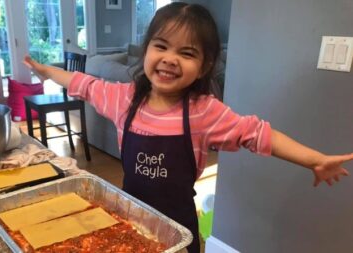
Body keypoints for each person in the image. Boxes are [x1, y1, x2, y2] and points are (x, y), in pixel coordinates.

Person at [23, 3, 353, 252]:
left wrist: (314, 159)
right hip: (131, 218)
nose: (170, 58)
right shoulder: (124, 99)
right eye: (161, 46)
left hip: (180, 224)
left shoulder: (204, 112)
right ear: (148, 48)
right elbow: (84, 83)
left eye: (187, 52)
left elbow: (259, 134)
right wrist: (47, 71)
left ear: (204, 65)